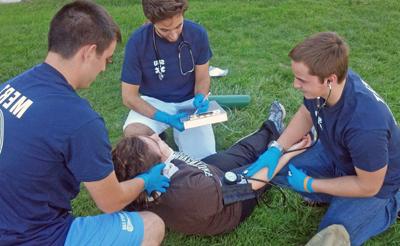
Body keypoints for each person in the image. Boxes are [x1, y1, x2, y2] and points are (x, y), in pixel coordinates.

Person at [0, 1, 170, 245]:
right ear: (89, 52)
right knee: (153, 225)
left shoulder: (9, 87)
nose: (103, 69)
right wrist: (146, 180)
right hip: (33, 236)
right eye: (107, 59)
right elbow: (110, 202)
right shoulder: (79, 120)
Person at [245, 32, 400, 245]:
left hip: (377, 186)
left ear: (330, 80)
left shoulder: (366, 127)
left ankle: (390, 206)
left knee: (333, 235)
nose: (295, 85)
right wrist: (277, 149)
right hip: (337, 156)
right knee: (276, 169)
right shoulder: (328, 85)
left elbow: (368, 186)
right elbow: (305, 114)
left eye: (301, 80)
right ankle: (329, 192)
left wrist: (311, 184)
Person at [112, 102, 309, 235]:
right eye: (154, 142)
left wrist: (169, 155)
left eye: (150, 136)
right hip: (231, 205)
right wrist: (287, 152)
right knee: (262, 165)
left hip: (206, 171)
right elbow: (254, 183)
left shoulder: (130, 181)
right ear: (158, 166)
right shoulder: (192, 190)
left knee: (243, 149)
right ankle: (288, 144)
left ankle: (272, 127)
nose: (157, 136)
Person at [120, 0, 215, 160]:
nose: (173, 35)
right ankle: (159, 136)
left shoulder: (198, 34)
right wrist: (164, 118)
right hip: (154, 101)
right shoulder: (137, 42)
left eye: (178, 26)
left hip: (189, 102)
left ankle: (169, 140)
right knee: (135, 140)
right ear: (151, 21)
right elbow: (129, 97)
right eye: (164, 29)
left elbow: (203, 77)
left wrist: (200, 96)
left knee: (204, 161)